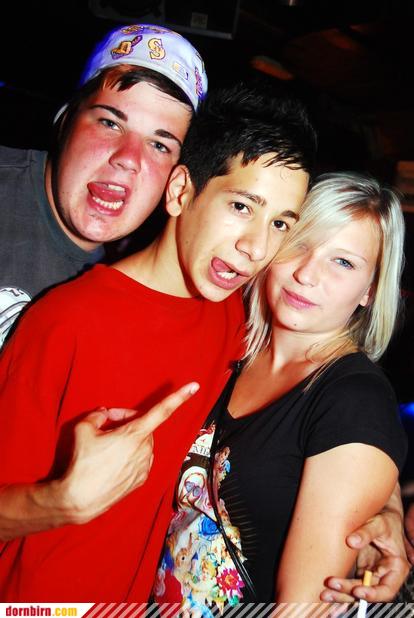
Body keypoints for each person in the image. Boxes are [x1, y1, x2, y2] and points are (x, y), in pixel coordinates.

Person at [0, 81, 313, 601]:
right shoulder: (64, 322)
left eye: (280, 222)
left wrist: (376, 502)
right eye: (242, 206)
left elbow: (322, 384)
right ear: (181, 191)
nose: (257, 246)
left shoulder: (233, 317)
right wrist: (59, 501)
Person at [152, 172, 408, 607]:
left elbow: (302, 609)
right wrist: (388, 505)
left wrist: (386, 507)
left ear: (370, 290)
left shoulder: (355, 399)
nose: (307, 274)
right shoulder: (226, 339)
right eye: (299, 243)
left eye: (343, 262)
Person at [0, 22, 207, 347]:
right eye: (110, 123)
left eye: (159, 145)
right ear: (66, 120)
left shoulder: (128, 288)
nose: (128, 158)